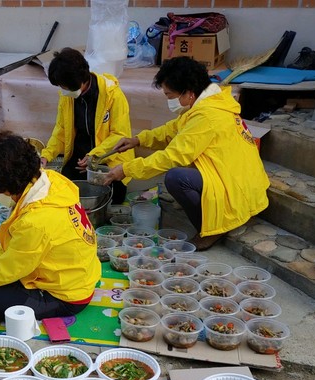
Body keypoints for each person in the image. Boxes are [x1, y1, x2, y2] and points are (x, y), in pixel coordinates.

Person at [103, 57, 270, 251]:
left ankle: (212, 229)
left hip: (236, 185)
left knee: (176, 178)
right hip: (237, 175)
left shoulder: (207, 115)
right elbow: (172, 130)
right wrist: (138, 140)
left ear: (189, 93)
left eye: (169, 95)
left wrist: (126, 169)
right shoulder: (206, 103)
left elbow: (173, 156)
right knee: (181, 170)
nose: (169, 101)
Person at [0, 132, 101, 322]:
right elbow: (14, 243)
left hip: (65, 293)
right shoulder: (49, 179)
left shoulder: (35, 222)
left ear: (5, 183)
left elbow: (9, 270)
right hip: (62, 264)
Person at [40, 47, 134, 203]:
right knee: (65, 196)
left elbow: (120, 135)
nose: (62, 91)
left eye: (64, 87)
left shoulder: (113, 95)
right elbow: (61, 131)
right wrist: (46, 155)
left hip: (108, 158)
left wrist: (94, 156)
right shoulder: (67, 97)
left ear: (80, 80)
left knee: (112, 200)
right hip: (79, 160)